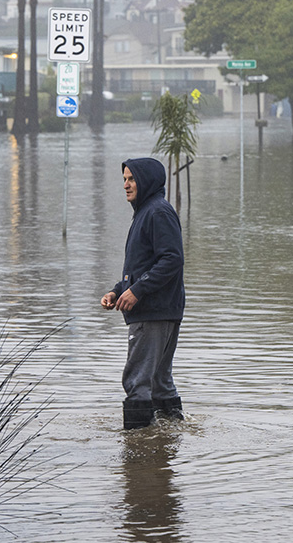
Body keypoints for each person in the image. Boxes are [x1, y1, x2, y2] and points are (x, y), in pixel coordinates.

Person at [101, 157, 185, 430]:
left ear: (146, 180)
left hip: (152, 311)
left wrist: (137, 291)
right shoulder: (146, 212)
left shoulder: (156, 212)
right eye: (124, 179)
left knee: (137, 381)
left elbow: (172, 259)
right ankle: (169, 441)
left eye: (132, 179)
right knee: (160, 382)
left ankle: (138, 455)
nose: (126, 185)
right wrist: (118, 291)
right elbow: (144, 264)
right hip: (160, 309)